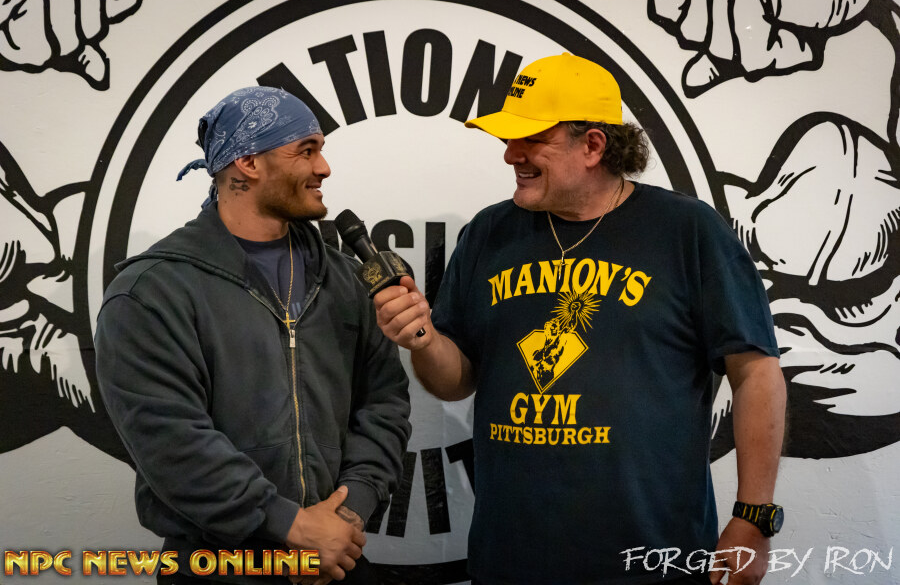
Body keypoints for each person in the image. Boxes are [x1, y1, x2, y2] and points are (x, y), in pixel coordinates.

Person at [374, 54, 786, 585]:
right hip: (511, 560)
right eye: (509, 139)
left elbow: (756, 373)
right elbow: (456, 382)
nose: (510, 154)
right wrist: (424, 339)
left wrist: (754, 515)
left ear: (593, 145)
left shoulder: (687, 231)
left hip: (653, 559)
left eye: (531, 139)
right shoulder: (488, 234)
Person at [95, 86, 412, 585]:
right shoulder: (151, 293)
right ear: (246, 162)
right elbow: (171, 441)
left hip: (337, 559)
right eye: (306, 151)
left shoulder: (346, 280)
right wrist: (290, 526)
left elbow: (384, 404)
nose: (324, 168)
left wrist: (346, 515)